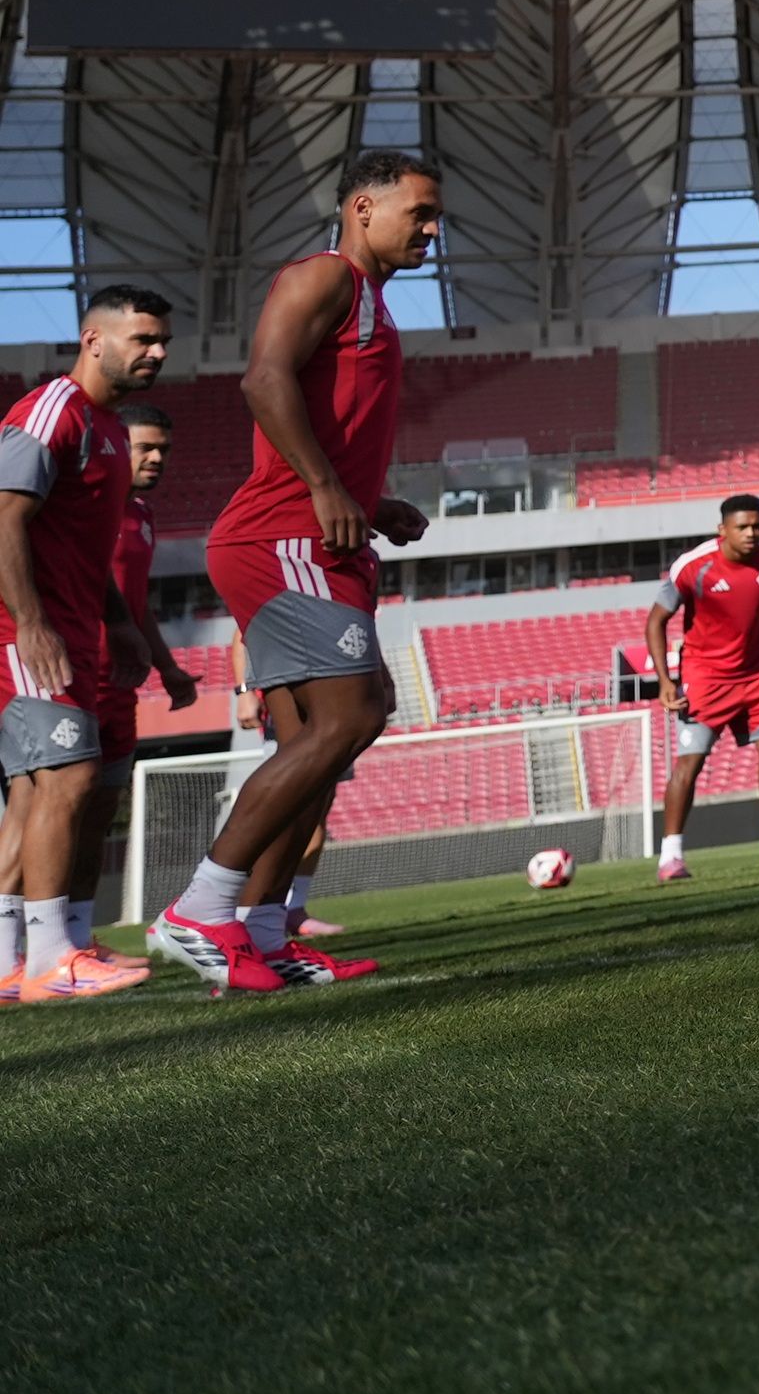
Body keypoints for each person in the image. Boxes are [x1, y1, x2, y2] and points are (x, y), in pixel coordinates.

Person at [159, 148, 440, 993]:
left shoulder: (374, 306)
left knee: (316, 738)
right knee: (352, 716)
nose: (431, 230)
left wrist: (368, 497)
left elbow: (325, 412)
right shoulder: (322, 277)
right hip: (283, 538)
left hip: (323, 536)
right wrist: (324, 487)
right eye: (418, 213)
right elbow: (262, 380)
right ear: (362, 208)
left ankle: (267, 933)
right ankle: (199, 912)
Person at [0, 286, 168, 1002]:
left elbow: (84, 550)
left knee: (36, 794)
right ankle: (51, 959)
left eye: (162, 342)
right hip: (24, 634)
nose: (157, 353)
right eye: (142, 340)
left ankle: (16, 961)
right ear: (94, 339)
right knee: (67, 781)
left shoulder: (103, 426)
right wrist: (32, 623)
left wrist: (120, 622)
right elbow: (3, 519)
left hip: (68, 633)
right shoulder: (53, 412)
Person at [55, 400, 199, 972]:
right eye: (145, 447)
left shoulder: (141, 514)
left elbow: (134, 609)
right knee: (50, 812)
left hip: (121, 688)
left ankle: (78, 935)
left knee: (98, 816)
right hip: (70, 679)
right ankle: (22, 946)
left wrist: (167, 667)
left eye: (163, 448)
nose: (156, 458)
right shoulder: (76, 510)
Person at [644, 495, 759, 880]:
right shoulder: (693, 566)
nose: (752, 533)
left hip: (754, 671)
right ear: (723, 531)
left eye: (757, 525)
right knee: (690, 762)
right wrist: (665, 681)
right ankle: (670, 856)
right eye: (743, 527)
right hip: (704, 676)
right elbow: (656, 621)